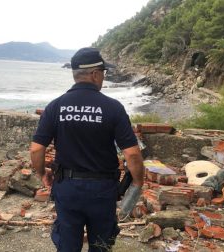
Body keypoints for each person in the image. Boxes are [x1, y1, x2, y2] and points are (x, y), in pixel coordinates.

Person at [30, 47, 145, 252]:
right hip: (102, 190)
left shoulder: (56, 106)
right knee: (101, 245)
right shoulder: (113, 108)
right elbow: (132, 153)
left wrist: (42, 174)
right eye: (103, 73)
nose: (103, 77)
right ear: (94, 74)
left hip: (68, 188)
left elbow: (36, 149)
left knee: (67, 245)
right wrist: (137, 182)